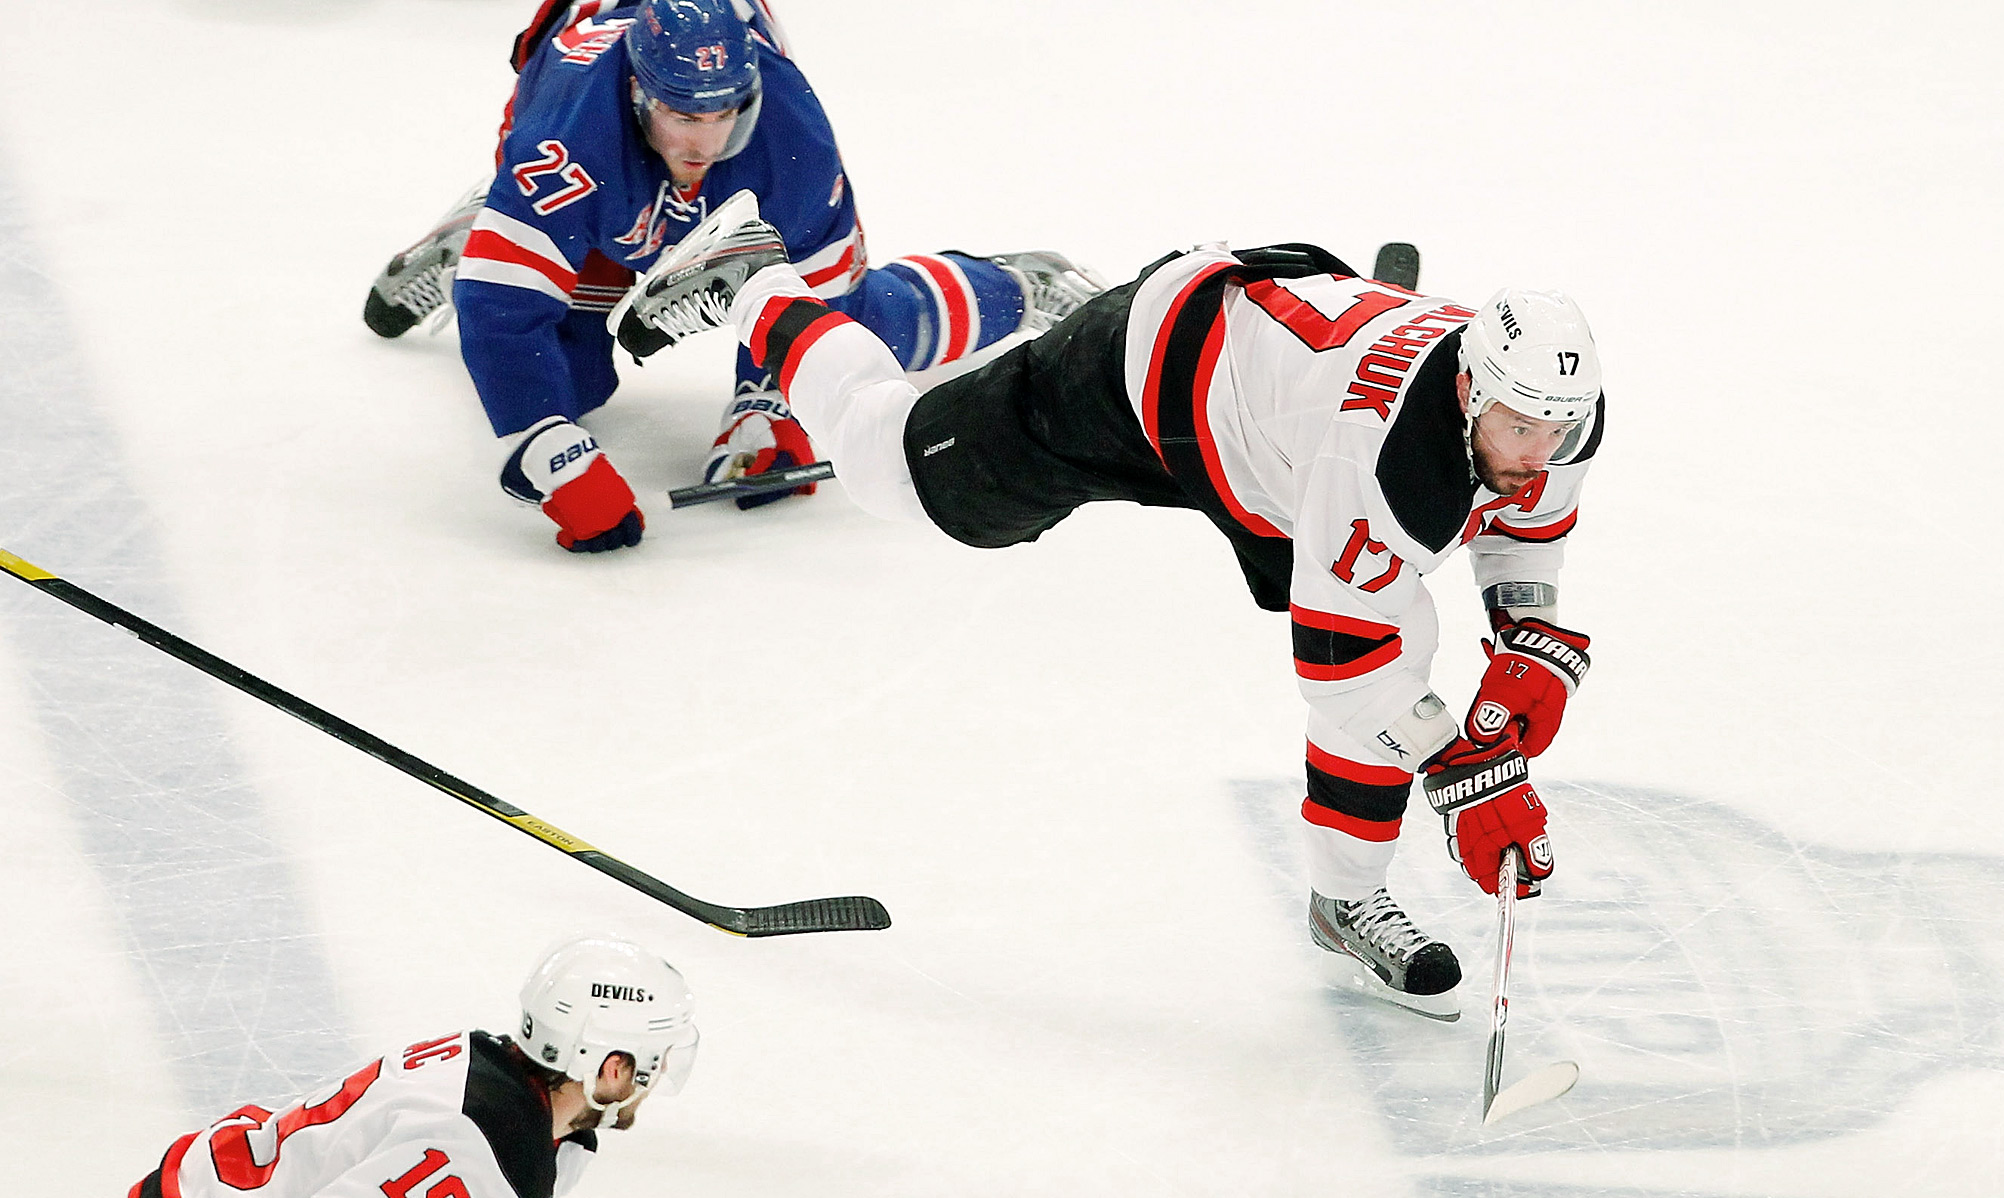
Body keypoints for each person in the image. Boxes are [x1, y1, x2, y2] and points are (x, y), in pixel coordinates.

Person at [627, 196, 1603, 1019]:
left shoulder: (1533, 417)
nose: (1539, 449)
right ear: (1469, 387)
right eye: (1520, 427)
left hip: (1272, 417)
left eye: (1556, 430)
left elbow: (1523, 513)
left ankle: (1345, 900)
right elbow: (1341, 664)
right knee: (887, 463)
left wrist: (1528, 638)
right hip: (1147, 377)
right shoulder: (1377, 460)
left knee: (1395, 629)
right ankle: (754, 276)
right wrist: (1466, 773)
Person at [363, 0, 1099, 553]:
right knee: (571, 380)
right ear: (638, 95)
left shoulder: (790, 134)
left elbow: (824, 304)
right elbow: (498, 311)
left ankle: (1019, 285)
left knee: (868, 329)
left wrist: (768, 401)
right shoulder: (565, 138)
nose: (703, 141)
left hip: (680, 180)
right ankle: (492, 228)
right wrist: (546, 449)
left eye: (724, 114)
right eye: (682, 115)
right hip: (586, 183)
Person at [83, 936, 699, 1198]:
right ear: (610, 1068)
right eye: (653, 1058)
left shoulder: (517, 1102)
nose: (660, 1073)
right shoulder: (482, 1153)